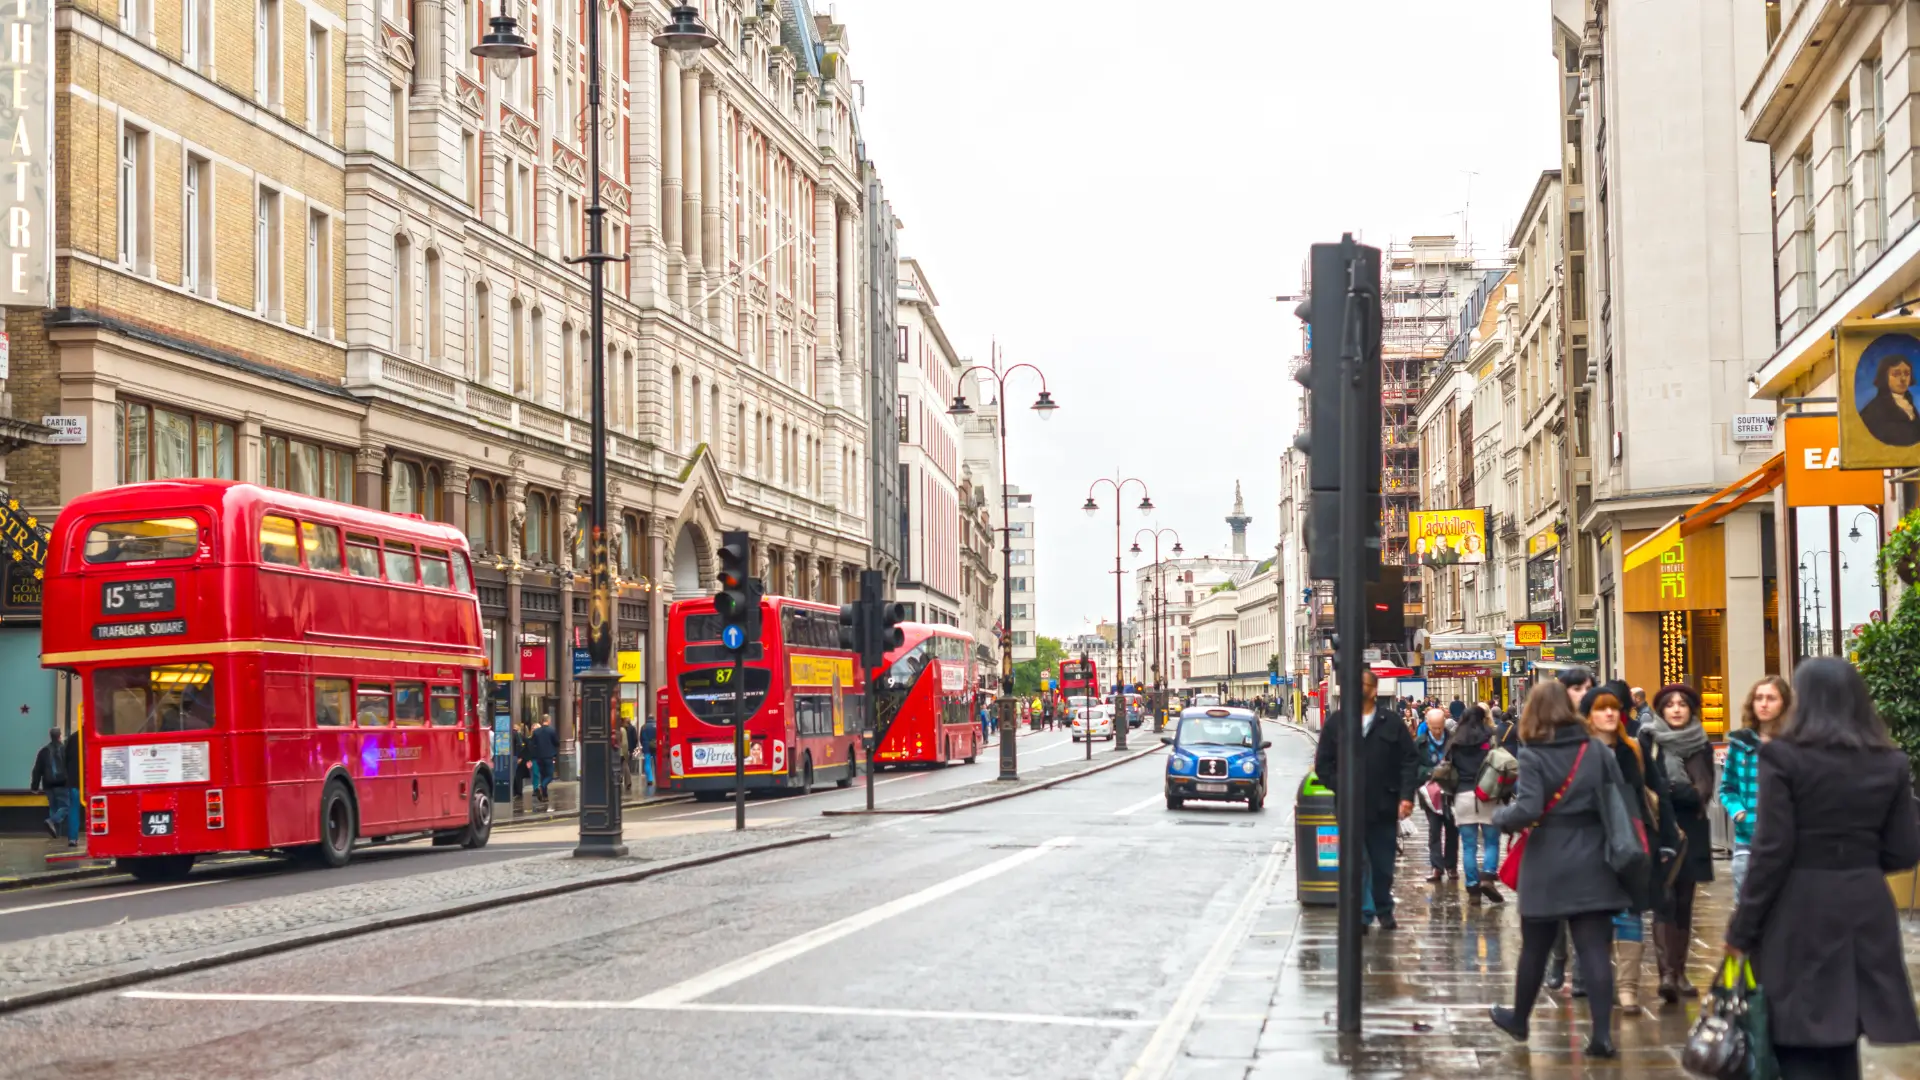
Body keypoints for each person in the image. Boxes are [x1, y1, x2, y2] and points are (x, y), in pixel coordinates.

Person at [1727, 657, 1920, 1080]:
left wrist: (1742, 929)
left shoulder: (1783, 757)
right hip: (1865, 906)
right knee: (1844, 1034)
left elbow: (1771, 850)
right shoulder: (1889, 761)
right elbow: (1904, 851)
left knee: (1799, 1035)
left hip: (1800, 908)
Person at [1489, 682, 1631, 1059]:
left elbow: (1529, 809)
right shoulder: (1596, 749)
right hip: (1594, 856)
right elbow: (1617, 796)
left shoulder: (1534, 754)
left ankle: (1519, 1019)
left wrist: (1501, 817)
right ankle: (1602, 1037)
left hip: (1548, 859)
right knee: (1594, 949)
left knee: (1535, 947)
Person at [1582, 683, 1671, 1013]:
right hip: (1591, 844)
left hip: (1633, 841)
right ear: (1588, 716)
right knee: (1597, 917)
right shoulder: (1580, 752)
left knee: (1630, 912)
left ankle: (1628, 989)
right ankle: (1600, 983)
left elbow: (1657, 792)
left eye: (1614, 708)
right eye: (1601, 708)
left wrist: (1667, 841)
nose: (1610, 713)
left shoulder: (1633, 748)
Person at [1313, 669, 1419, 931]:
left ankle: (1383, 907)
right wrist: (1340, 784)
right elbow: (1323, 764)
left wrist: (1406, 796)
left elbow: (1409, 760)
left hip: (1383, 805)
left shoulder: (1391, 722)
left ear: (1374, 690)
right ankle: (1363, 913)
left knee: (1383, 866)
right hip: (1349, 807)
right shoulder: (1337, 723)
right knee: (1357, 863)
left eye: (1363, 684)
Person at [1649, 683, 1715, 1003]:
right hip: (1661, 830)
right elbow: (1648, 786)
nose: (1676, 709)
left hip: (1692, 832)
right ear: (1661, 710)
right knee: (1664, 900)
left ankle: (1680, 970)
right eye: (1670, 704)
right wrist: (1679, 792)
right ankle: (1666, 974)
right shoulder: (1649, 741)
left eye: (1682, 704)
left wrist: (1675, 791)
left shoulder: (1702, 744)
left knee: (1685, 903)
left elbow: (1704, 790)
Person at [1721, 675, 1790, 900]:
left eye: (1771, 698)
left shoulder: (1794, 744)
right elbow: (1727, 787)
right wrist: (1738, 811)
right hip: (1747, 839)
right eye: (1759, 698)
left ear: (1784, 704)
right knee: (1747, 906)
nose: (1763, 704)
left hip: (1785, 841)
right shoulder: (1740, 744)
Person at [1445, 705, 1504, 905]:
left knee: (1469, 845)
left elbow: (1448, 767)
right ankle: (1487, 877)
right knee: (1492, 841)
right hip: (1487, 793)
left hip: (1463, 795)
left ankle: (1472, 887)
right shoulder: (1489, 738)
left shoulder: (1455, 742)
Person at [1417, 707, 1458, 883]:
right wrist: (1430, 773)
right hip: (1430, 793)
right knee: (1434, 830)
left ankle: (1451, 866)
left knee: (1452, 830)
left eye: (1440, 727)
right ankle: (1436, 867)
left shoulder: (1453, 740)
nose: (1438, 731)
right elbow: (1414, 766)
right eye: (1434, 728)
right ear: (1428, 725)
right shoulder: (1420, 743)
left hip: (1450, 791)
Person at [1857, 352, 1920, 447]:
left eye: (1907, 374)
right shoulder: (1873, 410)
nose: (1903, 379)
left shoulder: (1909, 403)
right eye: (1896, 374)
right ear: (1884, 377)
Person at [28, 728, 69, 843]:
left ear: (50, 736)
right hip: (62, 784)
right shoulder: (65, 750)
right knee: (66, 807)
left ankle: (56, 834)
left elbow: (37, 770)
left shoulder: (43, 751)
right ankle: (52, 821)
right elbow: (70, 767)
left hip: (48, 785)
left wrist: (34, 787)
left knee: (53, 808)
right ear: (60, 736)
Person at [530, 713, 560, 802]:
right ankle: (541, 787)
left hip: (539, 757)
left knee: (543, 775)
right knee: (550, 775)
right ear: (548, 721)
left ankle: (544, 795)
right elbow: (557, 742)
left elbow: (532, 744)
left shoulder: (536, 732)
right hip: (548, 757)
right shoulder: (551, 731)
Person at [639, 712, 658, 796]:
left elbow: (641, 738)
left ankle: (650, 779)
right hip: (656, 746)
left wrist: (644, 745)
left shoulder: (643, 727)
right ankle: (658, 778)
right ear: (653, 718)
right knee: (657, 762)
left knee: (647, 763)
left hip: (646, 747)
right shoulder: (657, 726)